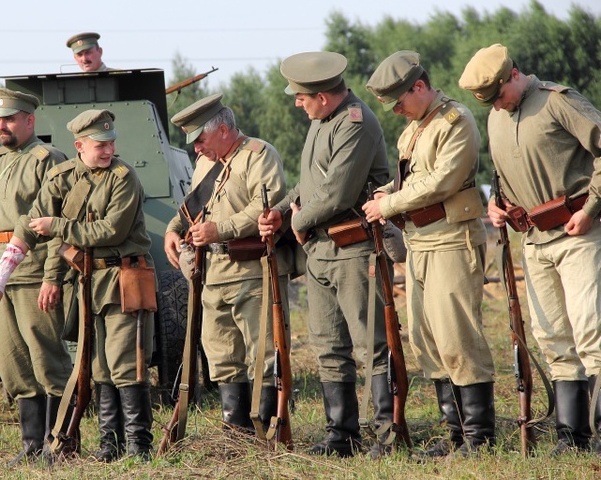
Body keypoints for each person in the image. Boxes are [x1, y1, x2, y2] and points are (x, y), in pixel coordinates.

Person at [0, 108, 156, 461]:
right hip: (89, 283)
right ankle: (111, 447)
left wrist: (58, 226)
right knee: (101, 368)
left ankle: (139, 449)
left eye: (111, 143)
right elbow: (31, 223)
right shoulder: (64, 176)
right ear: (79, 145)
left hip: (125, 278)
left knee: (126, 365)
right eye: (99, 145)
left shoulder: (124, 177)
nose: (108, 150)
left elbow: (110, 231)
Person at [460, 43, 601, 456]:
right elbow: (501, 174)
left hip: (579, 234)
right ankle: (571, 438)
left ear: (514, 75)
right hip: (534, 241)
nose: (497, 106)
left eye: (499, 95)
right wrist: (497, 203)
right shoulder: (495, 116)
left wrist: (593, 207)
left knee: (593, 332)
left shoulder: (560, 102)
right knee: (553, 337)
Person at [258, 51, 393, 458]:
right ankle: (343, 436)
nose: (297, 102)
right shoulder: (322, 122)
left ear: (322, 95)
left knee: (371, 343)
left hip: (353, 248)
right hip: (320, 251)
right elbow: (309, 185)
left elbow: (337, 193)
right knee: (328, 345)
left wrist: (296, 224)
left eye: (301, 96)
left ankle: (388, 435)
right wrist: (279, 213)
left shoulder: (356, 122)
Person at [363, 51, 496, 457]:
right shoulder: (413, 131)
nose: (397, 111)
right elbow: (409, 180)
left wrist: (387, 205)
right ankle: (455, 434)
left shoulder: (456, 122)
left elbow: (442, 182)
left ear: (419, 87)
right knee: (429, 342)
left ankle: (479, 438)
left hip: (452, 241)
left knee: (457, 337)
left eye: (400, 101)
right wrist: (389, 193)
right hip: (420, 243)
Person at [164, 93, 291, 435]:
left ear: (222, 130)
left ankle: (267, 431)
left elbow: (265, 209)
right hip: (213, 276)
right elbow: (193, 208)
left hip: (253, 273)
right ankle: (235, 433)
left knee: (264, 355)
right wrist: (173, 230)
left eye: (200, 140)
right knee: (221, 356)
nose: (196, 149)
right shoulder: (206, 162)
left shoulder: (259, 156)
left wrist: (220, 229)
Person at [0, 88, 73, 465]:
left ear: (29, 121)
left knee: (47, 359)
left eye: (10, 119)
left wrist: (52, 278)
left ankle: (59, 443)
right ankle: (32, 444)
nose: (2, 125)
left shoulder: (47, 160)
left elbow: (54, 228)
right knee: (13, 364)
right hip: (0, 273)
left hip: (31, 272)